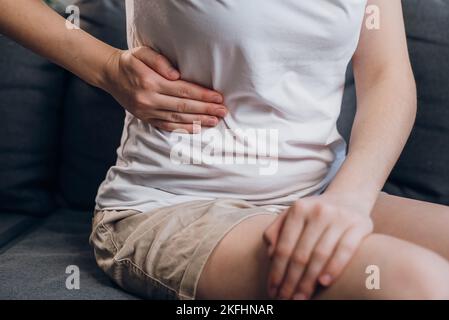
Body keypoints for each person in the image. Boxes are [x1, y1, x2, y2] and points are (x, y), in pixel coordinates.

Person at [1, 0, 449, 300]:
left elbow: (387, 73)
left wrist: (348, 198)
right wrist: (105, 68)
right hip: (172, 204)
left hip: (323, 192)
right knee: (417, 283)